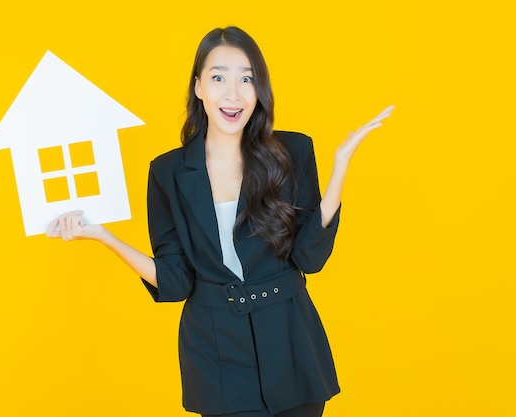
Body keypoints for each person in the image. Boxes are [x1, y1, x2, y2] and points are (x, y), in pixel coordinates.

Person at [47, 26, 393, 417]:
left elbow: (310, 260)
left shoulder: (292, 151)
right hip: (215, 352)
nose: (233, 94)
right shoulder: (168, 173)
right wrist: (103, 236)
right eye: (218, 78)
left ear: (259, 89)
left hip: (291, 341)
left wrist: (339, 171)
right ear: (198, 87)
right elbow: (176, 282)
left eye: (247, 79)